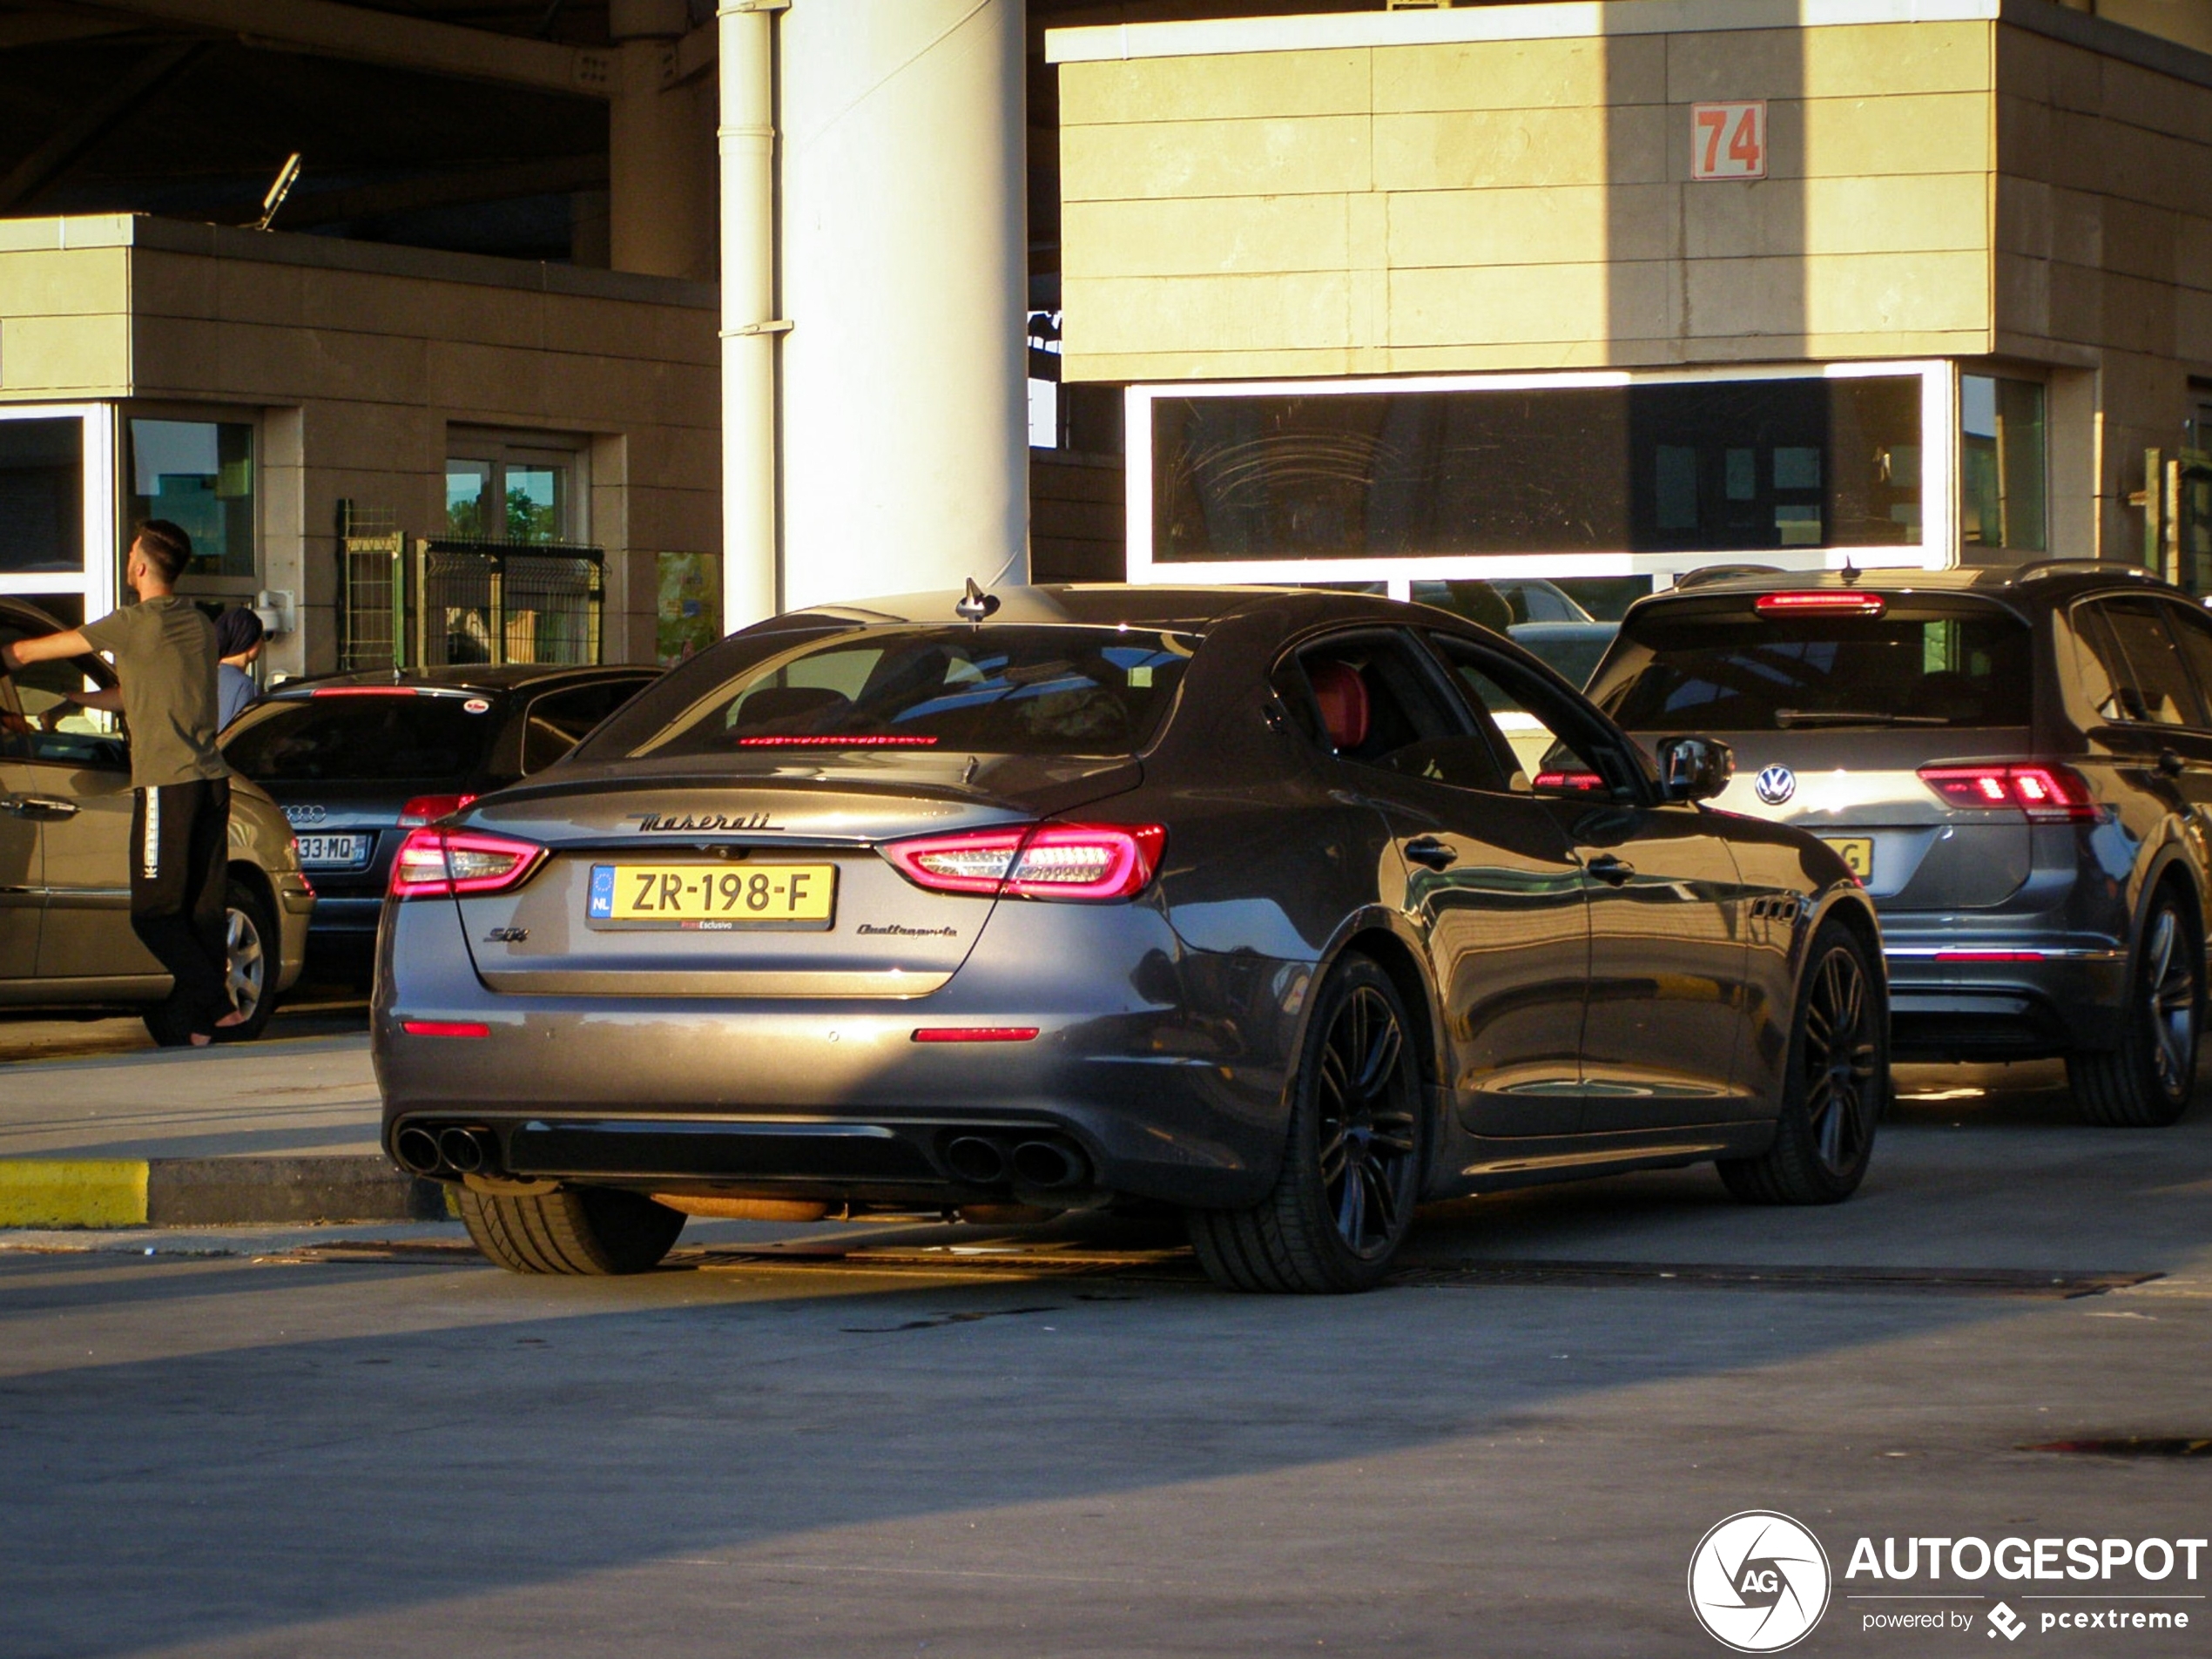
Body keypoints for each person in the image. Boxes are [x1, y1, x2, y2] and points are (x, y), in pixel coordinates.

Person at [0, 520, 241, 1045]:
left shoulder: (132, 622)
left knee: (154, 914)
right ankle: (203, 1025)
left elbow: (31, 653)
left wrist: (8, 658)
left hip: (166, 784)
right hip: (211, 782)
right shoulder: (199, 625)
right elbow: (139, 695)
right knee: (201, 909)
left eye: (132, 551)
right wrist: (72, 705)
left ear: (139, 567)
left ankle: (219, 1003)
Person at [214, 606, 265, 730]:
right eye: (261, 637)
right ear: (249, 639)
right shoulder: (244, 684)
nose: (263, 643)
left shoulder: (207, 674)